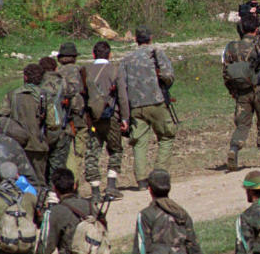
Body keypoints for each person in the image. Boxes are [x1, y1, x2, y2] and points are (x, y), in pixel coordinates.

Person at [122, 27, 176, 190]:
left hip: (135, 106)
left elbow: (122, 84)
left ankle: (141, 181)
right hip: (156, 102)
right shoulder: (155, 52)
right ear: (151, 38)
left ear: (135, 39)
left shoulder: (127, 58)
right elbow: (168, 76)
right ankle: (159, 174)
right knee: (166, 137)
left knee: (139, 143)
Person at [223, 16, 260, 170]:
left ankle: (234, 149)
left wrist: (232, 90)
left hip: (241, 92)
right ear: (256, 29)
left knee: (242, 124)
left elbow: (226, 72)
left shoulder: (231, 47)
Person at [83, 40, 130, 201]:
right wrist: (125, 118)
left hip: (92, 120)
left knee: (91, 154)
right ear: (110, 54)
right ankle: (111, 184)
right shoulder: (114, 71)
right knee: (116, 149)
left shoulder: (85, 71)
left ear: (93, 54)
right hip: (111, 117)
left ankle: (95, 190)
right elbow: (123, 96)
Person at [0, 64, 55, 182]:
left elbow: (2, 118)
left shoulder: (12, 95)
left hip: (17, 144)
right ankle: (37, 198)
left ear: (25, 77)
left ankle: (22, 199)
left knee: (18, 179)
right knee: (38, 179)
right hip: (38, 144)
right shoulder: (46, 96)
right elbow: (54, 123)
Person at [53, 42, 89, 178]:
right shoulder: (79, 70)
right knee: (79, 148)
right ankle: (75, 176)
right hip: (78, 114)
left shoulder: (56, 72)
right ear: (74, 57)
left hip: (62, 116)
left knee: (67, 151)